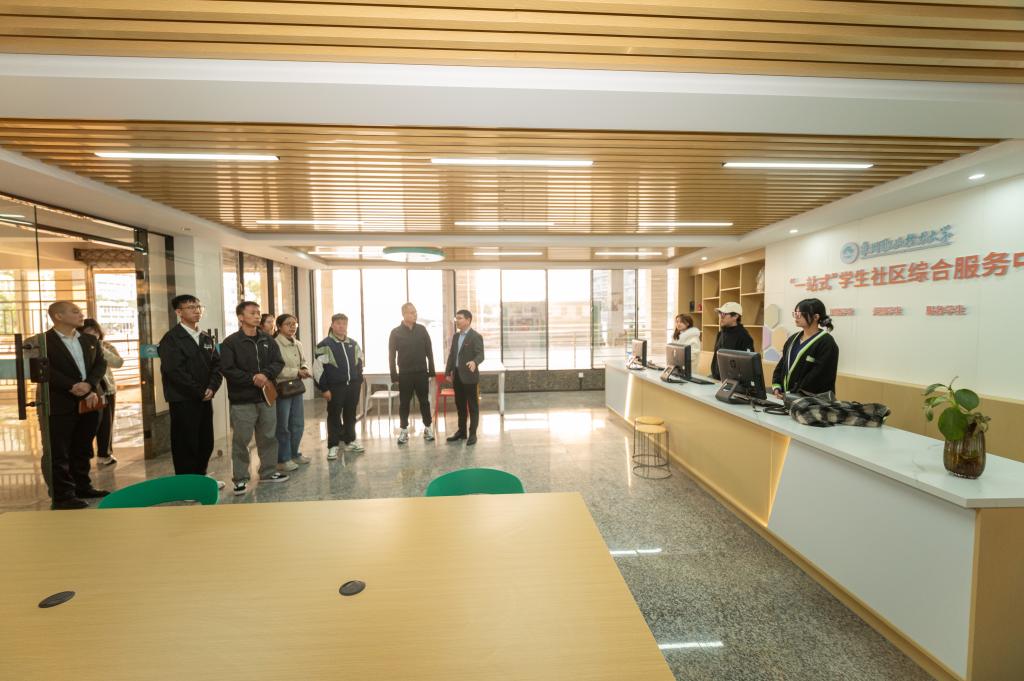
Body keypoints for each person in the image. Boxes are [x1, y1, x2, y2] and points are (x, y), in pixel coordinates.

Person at [39, 301, 108, 509]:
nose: (81, 315)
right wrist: (72, 386)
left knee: (83, 447)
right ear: (58, 316)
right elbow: (44, 370)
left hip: (89, 400)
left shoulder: (89, 340)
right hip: (60, 403)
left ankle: (82, 487)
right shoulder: (42, 341)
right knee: (60, 451)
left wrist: (89, 385)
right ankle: (63, 495)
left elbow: (100, 364)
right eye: (75, 311)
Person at [220, 301, 288, 495]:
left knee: (268, 437)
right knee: (241, 440)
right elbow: (227, 369)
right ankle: (240, 478)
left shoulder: (267, 339)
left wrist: (265, 374)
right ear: (241, 317)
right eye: (252, 313)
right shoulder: (231, 342)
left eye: (258, 313)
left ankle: (268, 472)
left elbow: (278, 362)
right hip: (242, 400)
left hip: (266, 397)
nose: (257, 316)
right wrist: (252, 378)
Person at [158, 295, 224, 488]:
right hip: (183, 399)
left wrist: (212, 387)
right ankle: (186, 486)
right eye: (190, 307)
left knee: (205, 440)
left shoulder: (205, 337)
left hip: (205, 397)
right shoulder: (171, 339)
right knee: (185, 443)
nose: (196, 310)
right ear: (179, 312)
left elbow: (217, 365)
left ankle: (200, 477)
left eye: (198, 306)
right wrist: (199, 391)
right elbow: (174, 371)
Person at [315, 313, 365, 459]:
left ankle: (350, 440)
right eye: (338, 323)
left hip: (352, 386)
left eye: (344, 323)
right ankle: (333, 445)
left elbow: (360, 363)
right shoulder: (325, 345)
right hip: (335, 388)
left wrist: (358, 381)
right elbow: (318, 369)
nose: (341, 326)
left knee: (350, 414)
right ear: (332, 325)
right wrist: (324, 389)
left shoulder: (353, 344)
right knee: (334, 416)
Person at [772, 298, 839, 398]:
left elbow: (819, 376)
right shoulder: (792, 339)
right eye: (795, 313)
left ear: (816, 317)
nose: (796, 317)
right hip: (788, 398)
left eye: (800, 314)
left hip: (812, 402)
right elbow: (782, 365)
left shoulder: (827, 343)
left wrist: (792, 394)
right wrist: (777, 386)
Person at [388, 302, 435, 445]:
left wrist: (431, 372)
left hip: (421, 373)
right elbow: (391, 356)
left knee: (424, 401)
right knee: (404, 403)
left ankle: (428, 427)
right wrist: (394, 375)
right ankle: (403, 430)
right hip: (405, 374)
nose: (415, 315)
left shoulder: (422, 330)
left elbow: (429, 351)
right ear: (404, 314)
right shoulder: (395, 332)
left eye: (415, 312)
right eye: (412, 312)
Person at [79, 318, 122, 466]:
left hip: (107, 389)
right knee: (88, 424)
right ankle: (82, 456)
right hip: (87, 390)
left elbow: (118, 362)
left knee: (106, 424)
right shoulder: (76, 347)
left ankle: (104, 454)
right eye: (88, 333)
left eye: (95, 333)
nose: (93, 336)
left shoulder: (106, 346)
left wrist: (98, 347)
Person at [273, 313, 311, 471]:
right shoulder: (275, 344)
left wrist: (304, 368)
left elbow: (303, 361)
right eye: (288, 324)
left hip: (296, 387)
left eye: (294, 324)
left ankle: (295, 453)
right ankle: (283, 458)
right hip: (282, 388)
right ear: (279, 326)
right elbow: (276, 369)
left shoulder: (298, 343)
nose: (292, 326)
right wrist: (297, 372)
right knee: (283, 425)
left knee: (298, 423)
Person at [445, 309, 485, 446]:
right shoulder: (456, 336)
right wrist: (448, 372)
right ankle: (461, 432)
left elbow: (481, 355)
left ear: (468, 320)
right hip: (457, 376)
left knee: (473, 406)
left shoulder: (475, 336)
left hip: (470, 377)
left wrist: (475, 362)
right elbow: (452, 355)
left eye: (460, 318)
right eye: (456, 318)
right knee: (460, 406)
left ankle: (473, 434)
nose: (457, 321)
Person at [710, 301, 755, 381]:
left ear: (735, 316)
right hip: (717, 379)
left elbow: (747, 365)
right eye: (720, 313)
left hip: (733, 382)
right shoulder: (721, 333)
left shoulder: (744, 337)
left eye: (724, 314)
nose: (721, 317)